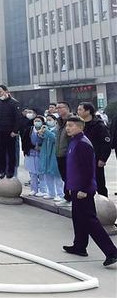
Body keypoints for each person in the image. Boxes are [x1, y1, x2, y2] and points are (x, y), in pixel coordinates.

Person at [62, 116, 117, 267]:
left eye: (71, 125)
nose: (68, 128)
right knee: (78, 218)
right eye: (67, 125)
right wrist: (70, 186)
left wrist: (84, 189)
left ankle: (112, 252)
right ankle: (79, 246)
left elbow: (87, 170)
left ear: (80, 127)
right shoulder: (74, 141)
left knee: (90, 221)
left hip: (83, 189)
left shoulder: (83, 144)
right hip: (75, 187)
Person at [77, 102, 111, 197]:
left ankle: (104, 202)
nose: (78, 112)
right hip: (82, 158)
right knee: (84, 182)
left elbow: (106, 143)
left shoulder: (98, 125)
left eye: (80, 109)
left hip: (95, 159)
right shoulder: (79, 125)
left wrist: (103, 158)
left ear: (88, 111)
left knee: (99, 183)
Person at [0, 85, 21, 179]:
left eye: (0, 91)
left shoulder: (14, 103)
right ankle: (2, 171)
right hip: (0, 131)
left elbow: (18, 118)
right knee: (1, 152)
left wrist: (15, 131)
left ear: (6, 91)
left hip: (10, 132)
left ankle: (10, 172)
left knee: (11, 152)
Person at [38, 114, 64, 201]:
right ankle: (51, 193)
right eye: (47, 120)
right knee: (47, 174)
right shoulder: (47, 129)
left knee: (57, 175)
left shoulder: (58, 130)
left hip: (54, 155)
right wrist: (41, 133)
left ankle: (60, 194)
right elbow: (43, 138)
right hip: (46, 155)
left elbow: (54, 139)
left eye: (50, 120)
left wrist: (46, 132)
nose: (48, 121)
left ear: (55, 121)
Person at [55, 101, 73, 205]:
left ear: (67, 108)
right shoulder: (59, 122)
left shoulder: (72, 120)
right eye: (57, 108)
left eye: (60, 107)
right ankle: (67, 197)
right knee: (65, 177)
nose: (58, 110)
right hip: (59, 154)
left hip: (68, 154)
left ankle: (71, 198)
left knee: (70, 177)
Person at [26, 115, 46, 197]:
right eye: (35, 121)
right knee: (32, 172)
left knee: (41, 172)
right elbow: (25, 141)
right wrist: (32, 147)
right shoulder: (29, 130)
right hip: (31, 152)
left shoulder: (45, 130)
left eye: (39, 121)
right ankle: (34, 189)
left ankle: (43, 190)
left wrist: (41, 147)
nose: (37, 122)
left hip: (41, 153)